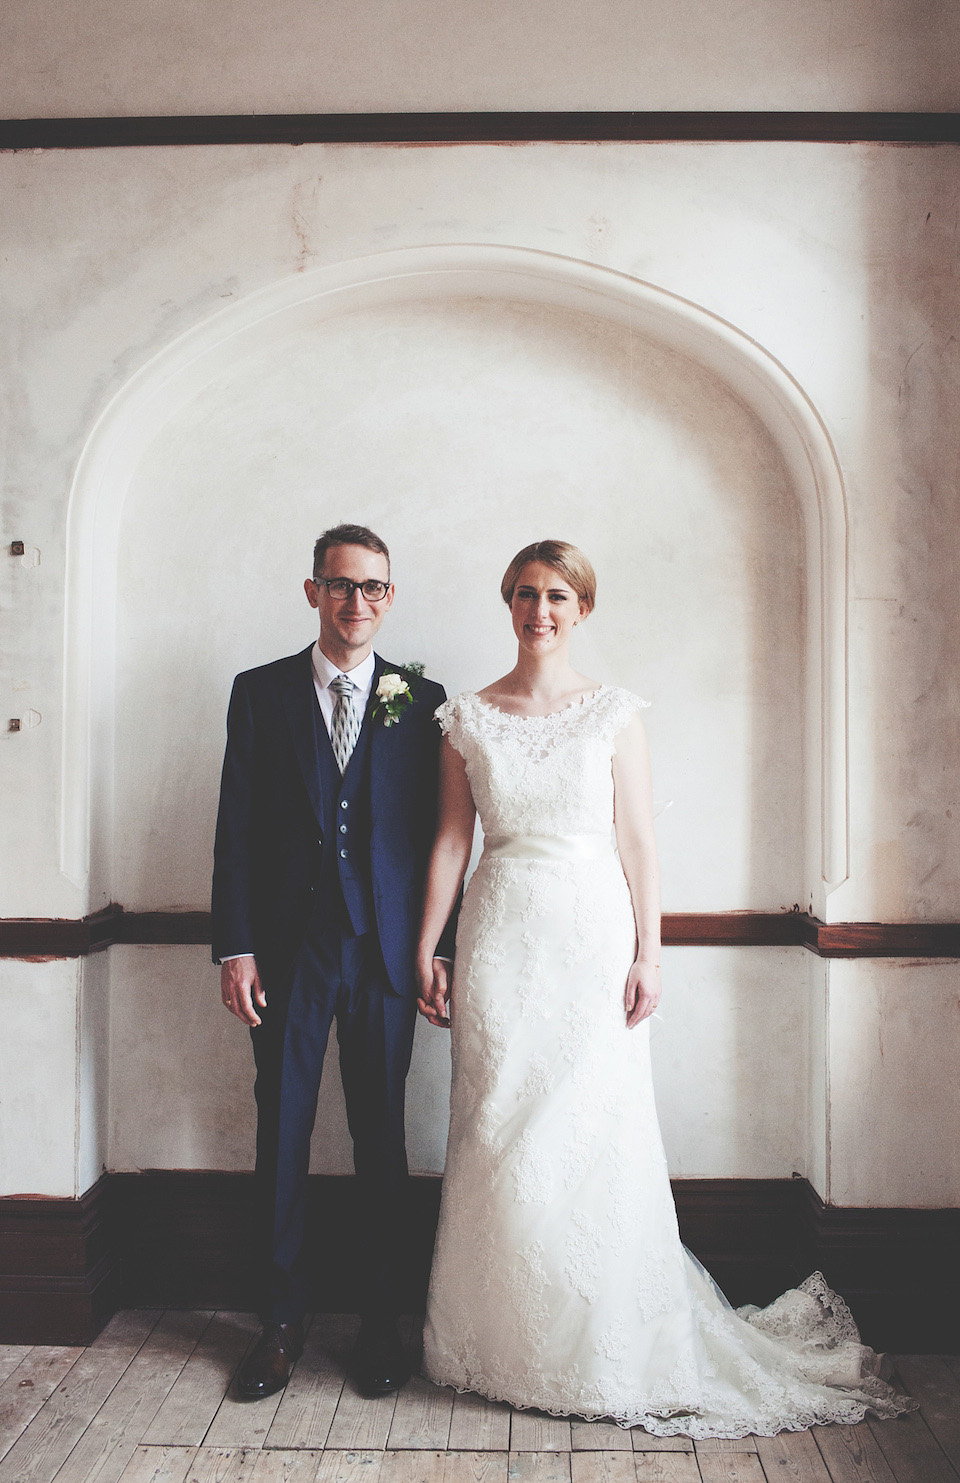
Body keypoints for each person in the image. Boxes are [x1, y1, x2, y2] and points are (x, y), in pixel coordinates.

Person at [415, 538, 914, 1437]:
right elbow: (453, 841)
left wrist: (651, 952)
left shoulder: (613, 714)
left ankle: (606, 1342)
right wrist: (428, 945)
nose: (541, 610)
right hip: (500, 932)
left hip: (590, 935)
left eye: (558, 596)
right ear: (508, 602)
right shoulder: (467, 718)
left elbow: (639, 842)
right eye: (526, 594)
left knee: (594, 1134)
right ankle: (502, 1342)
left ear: (583, 609)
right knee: (498, 1128)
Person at [213, 522, 455, 1402]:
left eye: (375, 588)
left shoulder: (422, 699)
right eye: (343, 585)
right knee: (280, 1131)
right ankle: (280, 1321)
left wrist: (440, 949)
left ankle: (381, 1320)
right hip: (286, 952)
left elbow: (443, 837)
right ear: (312, 590)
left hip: (386, 952)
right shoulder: (259, 693)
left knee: (380, 1137)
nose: (359, 603)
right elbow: (235, 826)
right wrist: (235, 946)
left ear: (391, 597)